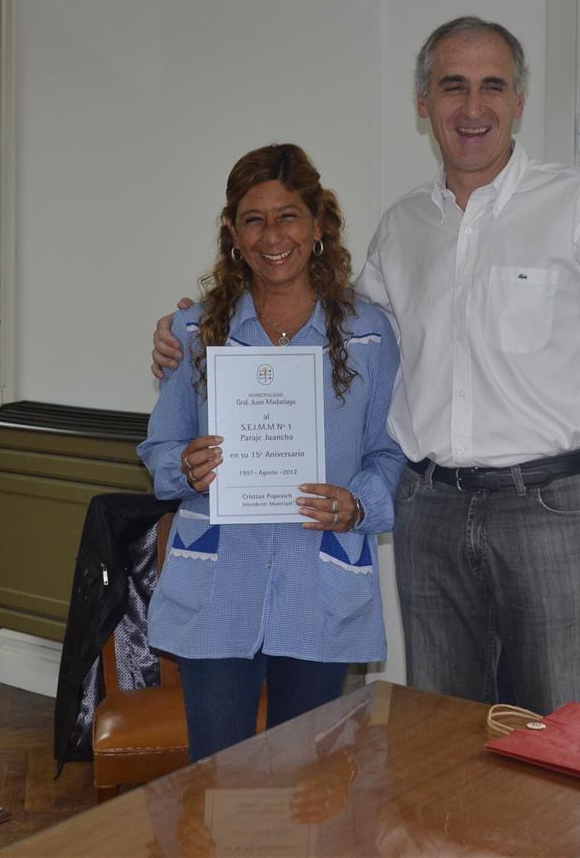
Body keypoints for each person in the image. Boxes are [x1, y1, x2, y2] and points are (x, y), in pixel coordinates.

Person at [154, 17, 580, 713]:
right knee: (443, 733)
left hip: (549, 510)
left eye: (492, 86)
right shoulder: (404, 229)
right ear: (422, 102)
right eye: (451, 86)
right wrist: (193, 326)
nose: (472, 107)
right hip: (430, 512)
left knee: (567, 726)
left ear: (519, 100)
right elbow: (335, 324)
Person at [139, 143, 405, 761]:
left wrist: (356, 505)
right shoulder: (195, 331)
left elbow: (390, 456)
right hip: (217, 595)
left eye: (288, 215)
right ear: (233, 233)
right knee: (217, 777)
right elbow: (158, 447)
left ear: (319, 225)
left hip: (319, 590)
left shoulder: (369, 334)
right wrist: (184, 466)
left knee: (310, 785)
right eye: (253, 219)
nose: (272, 235)